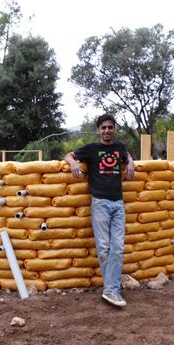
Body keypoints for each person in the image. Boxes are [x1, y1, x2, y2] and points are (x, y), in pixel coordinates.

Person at [64, 113, 134, 307]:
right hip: (100, 203)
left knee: (118, 249)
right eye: (103, 128)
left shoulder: (119, 147)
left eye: (110, 127)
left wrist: (131, 162)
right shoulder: (91, 149)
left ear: (114, 129)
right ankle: (112, 289)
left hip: (118, 203)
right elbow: (68, 155)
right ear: (98, 130)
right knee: (104, 249)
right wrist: (73, 164)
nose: (106, 131)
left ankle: (111, 290)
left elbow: (126, 155)